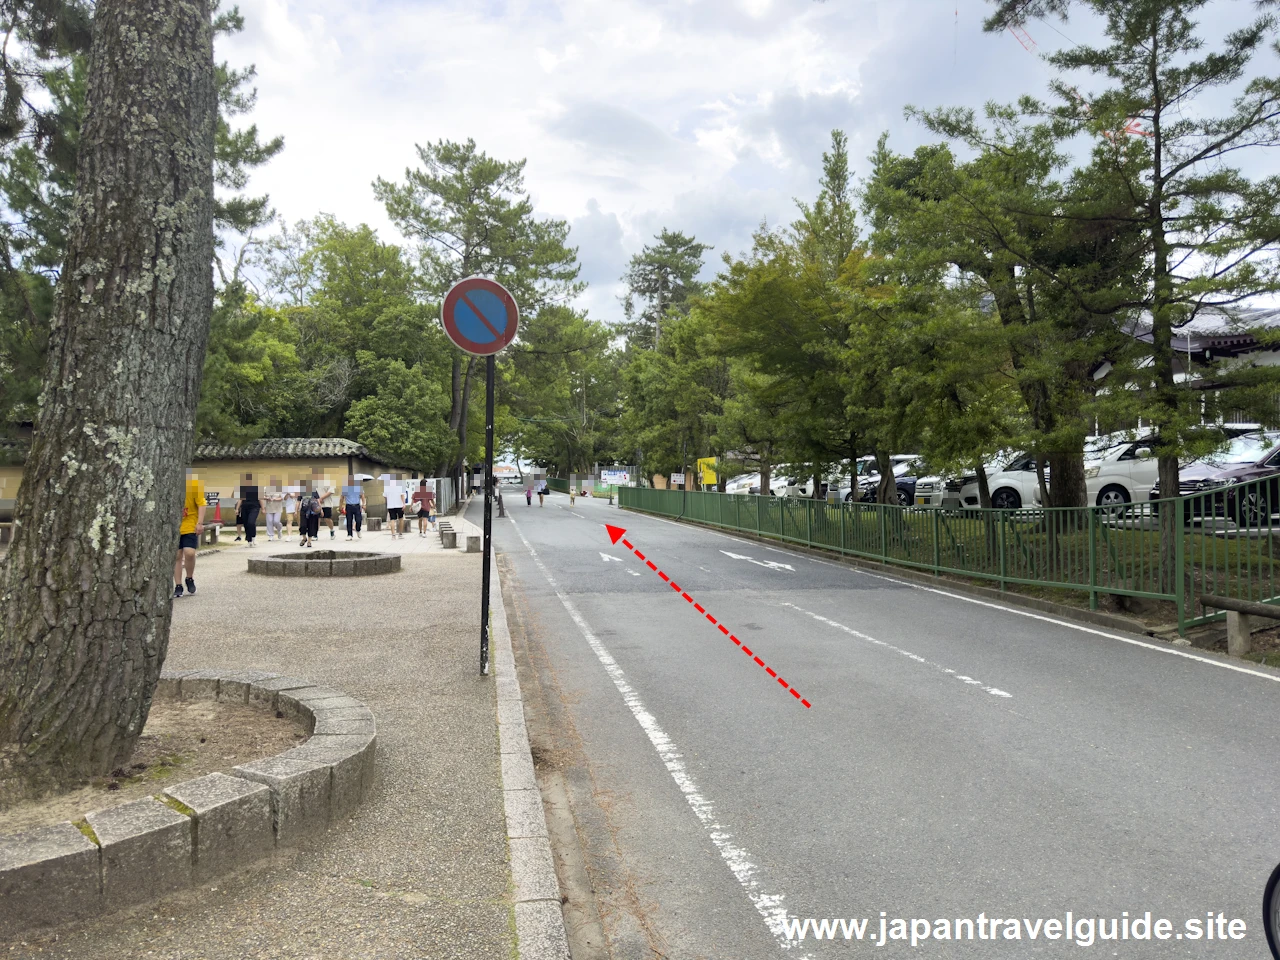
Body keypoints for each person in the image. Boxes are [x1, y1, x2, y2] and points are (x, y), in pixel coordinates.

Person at [174, 468, 205, 598]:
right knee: (176, 555)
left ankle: (189, 578)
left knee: (189, 552)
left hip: (189, 524)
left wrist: (200, 523)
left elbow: (202, 504)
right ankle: (178, 585)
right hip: (174, 525)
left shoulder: (193, 484)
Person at [235, 473, 262, 547]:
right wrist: (237, 509)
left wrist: (263, 508)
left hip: (254, 507)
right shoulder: (243, 489)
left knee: (251, 522)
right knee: (246, 524)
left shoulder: (257, 488)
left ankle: (253, 537)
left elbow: (260, 499)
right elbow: (241, 499)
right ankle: (249, 540)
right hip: (244, 508)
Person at [342, 474, 366, 540]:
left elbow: (363, 497)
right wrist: (341, 505)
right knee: (349, 520)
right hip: (349, 506)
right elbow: (342, 497)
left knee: (358, 519)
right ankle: (349, 534)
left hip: (357, 505)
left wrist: (364, 504)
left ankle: (358, 529)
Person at [384, 474, 407, 539]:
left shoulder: (387, 486)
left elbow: (385, 496)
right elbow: (402, 495)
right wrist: (404, 504)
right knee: (401, 519)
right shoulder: (400, 485)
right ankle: (400, 533)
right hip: (399, 505)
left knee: (392, 519)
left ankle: (393, 535)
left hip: (390, 505)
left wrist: (388, 502)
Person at [319, 472, 338, 539]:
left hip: (327, 504)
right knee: (317, 519)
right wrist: (317, 499)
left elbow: (330, 492)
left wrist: (321, 498)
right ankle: (315, 534)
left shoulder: (330, 483)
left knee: (327, 518)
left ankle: (332, 531)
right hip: (317, 504)